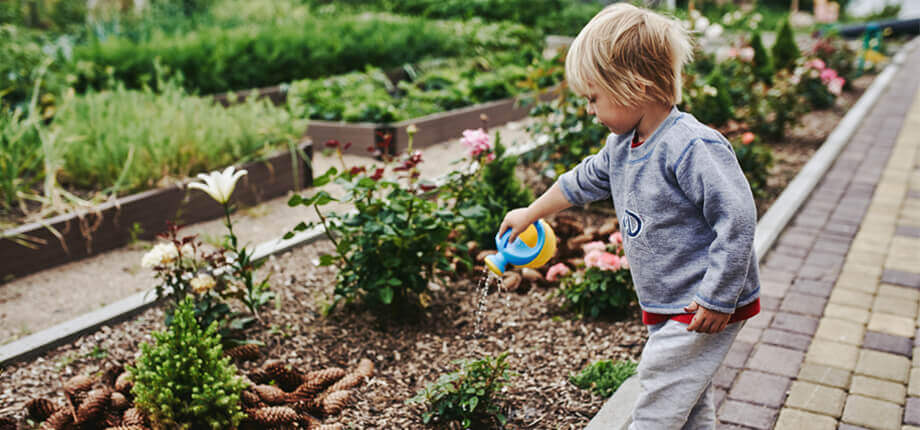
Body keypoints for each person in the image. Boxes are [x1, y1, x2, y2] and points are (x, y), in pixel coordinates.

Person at [498, 3, 761, 429]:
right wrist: (531, 212)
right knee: (687, 398)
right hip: (672, 301)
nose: (590, 110)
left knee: (659, 388)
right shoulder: (624, 145)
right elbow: (582, 181)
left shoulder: (692, 146)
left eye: (593, 98)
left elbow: (738, 218)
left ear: (634, 87)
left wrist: (718, 296)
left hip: (701, 301)